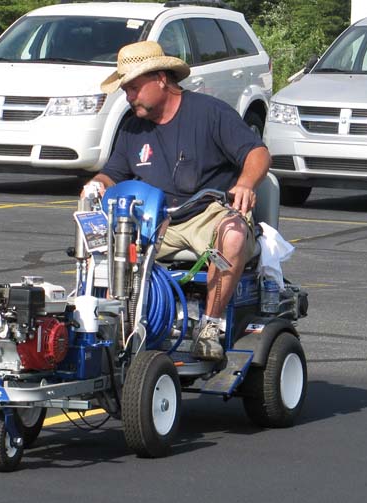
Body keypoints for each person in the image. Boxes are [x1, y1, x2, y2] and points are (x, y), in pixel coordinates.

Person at [84, 41, 271, 362]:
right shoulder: (132, 128)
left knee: (233, 235)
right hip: (156, 220)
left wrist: (245, 183)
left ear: (161, 79)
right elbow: (112, 173)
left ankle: (209, 327)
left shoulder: (209, 113)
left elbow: (258, 153)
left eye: (133, 88)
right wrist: (96, 185)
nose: (129, 97)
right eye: (126, 90)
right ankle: (112, 326)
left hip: (209, 214)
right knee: (102, 247)